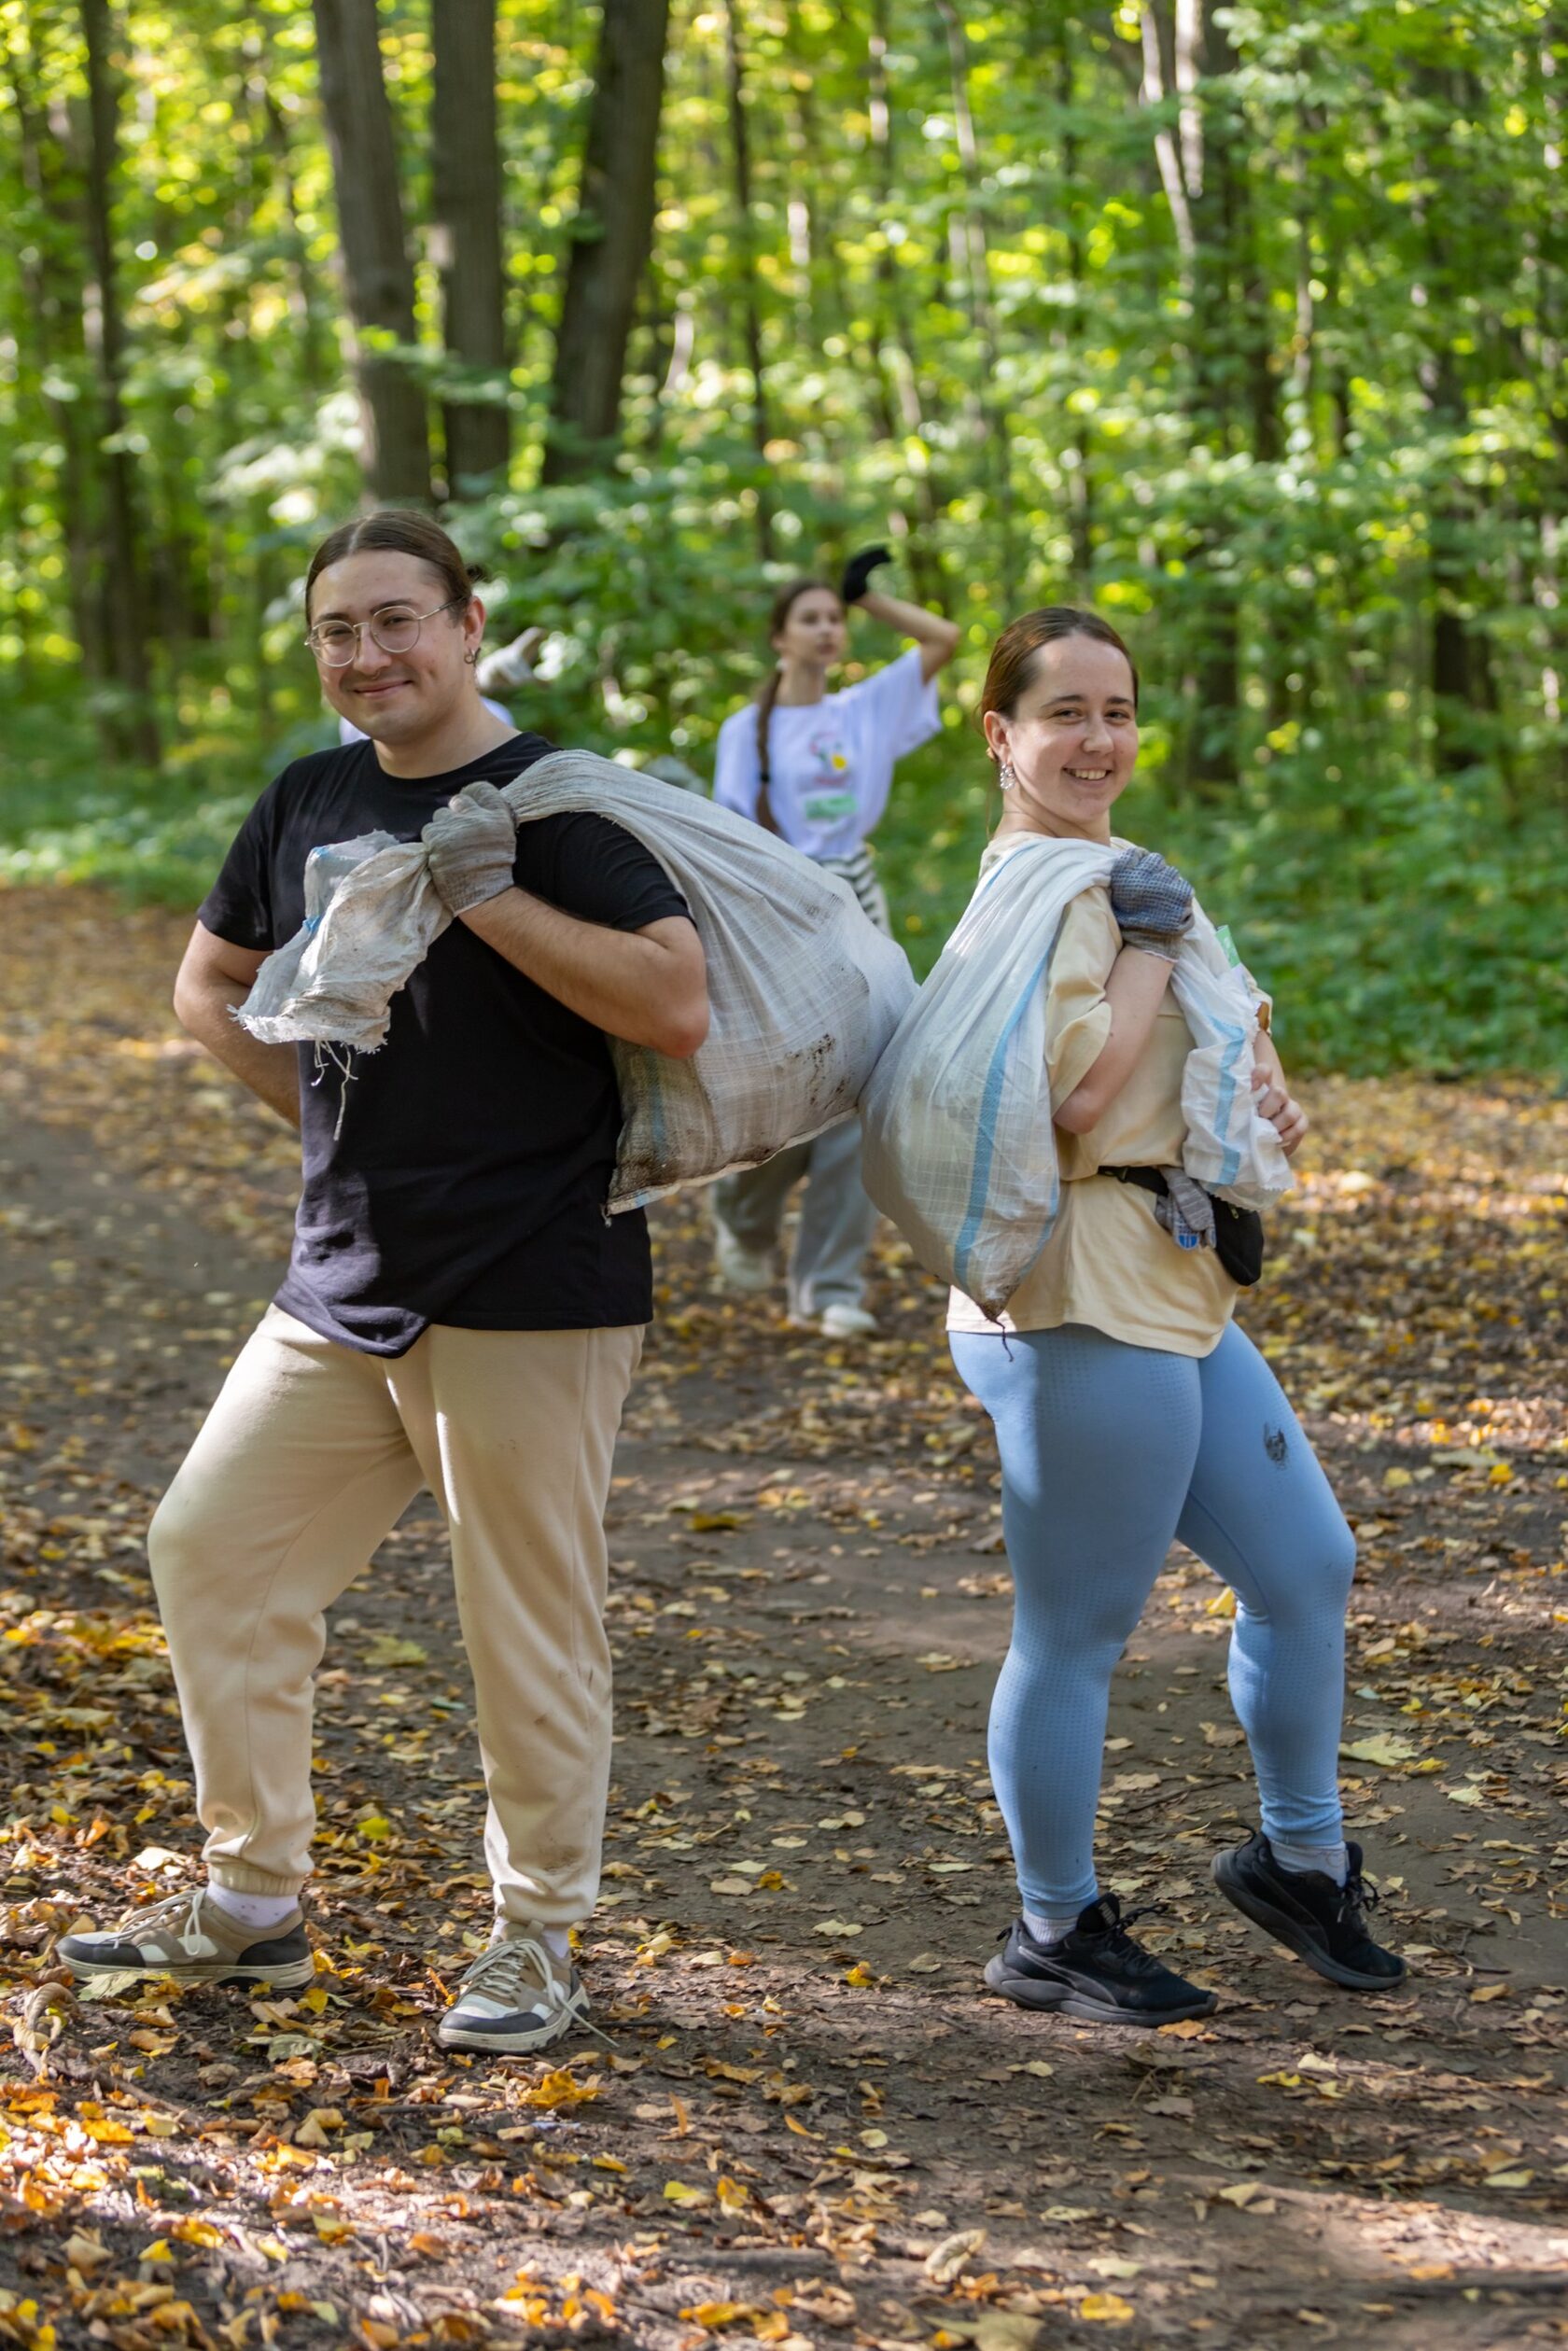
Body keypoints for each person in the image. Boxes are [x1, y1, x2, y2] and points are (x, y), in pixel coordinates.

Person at [59, 511, 708, 2054]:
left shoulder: (556, 807)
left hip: (532, 1279)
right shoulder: (308, 794)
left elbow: (675, 999)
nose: (368, 654)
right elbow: (210, 982)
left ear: (468, 622)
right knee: (210, 1547)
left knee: (525, 1622)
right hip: (343, 1276)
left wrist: (489, 894)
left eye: (397, 619)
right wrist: (325, 1126)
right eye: (337, 630)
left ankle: (538, 1933)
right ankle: (251, 1900)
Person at [941, 607, 1404, 2024]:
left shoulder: (1121, 878)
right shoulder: (1049, 896)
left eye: (1119, 710)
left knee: (1307, 1566)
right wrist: (1149, 942)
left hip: (1171, 1273)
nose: (1099, 738)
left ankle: (1298, 1859)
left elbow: (1205, 1047)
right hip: (1076, 1286)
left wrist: (1262, 1086)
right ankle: (1054, 1925)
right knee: (1077, 1627)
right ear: (1000, 733)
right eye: (1066, 712)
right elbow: (1076, 1106)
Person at [709, 549, 959, 1337]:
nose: (826, 629)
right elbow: (727, 837)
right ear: (778, 638)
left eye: (833, 618)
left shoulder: (862, 710)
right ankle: (742, 1213)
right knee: (792, 1089)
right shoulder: (745, 730)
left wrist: (868, 597)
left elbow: (944, 639)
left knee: (864, 1088)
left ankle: (828, 1285)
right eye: (809, 618)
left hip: (857, 903)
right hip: (778, 906)